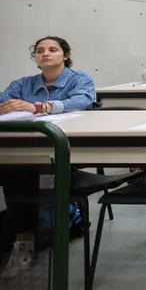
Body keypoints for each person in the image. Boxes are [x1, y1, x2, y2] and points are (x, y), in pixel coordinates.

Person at [0, 36, 96, 277]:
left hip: (64, 150)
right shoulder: (22, 84)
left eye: (53, 50)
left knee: (28, 174)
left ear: (65, 55)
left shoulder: (79, 79)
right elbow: (4, 101)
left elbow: (82, 102)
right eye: (40, 50)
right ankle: (25, 235)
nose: (45, 54)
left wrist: (38, 107)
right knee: (15, 171)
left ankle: (33, 234)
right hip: (24, 151)